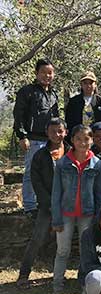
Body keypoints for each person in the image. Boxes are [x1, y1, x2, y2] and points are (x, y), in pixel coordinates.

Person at [49, 125, 101, 294]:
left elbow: (100, 194)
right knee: (62, 251)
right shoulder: (62, 163)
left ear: (92, 141)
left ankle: (85, 287)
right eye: (79, 139)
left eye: (86, 139)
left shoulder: (97, 164)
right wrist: (56, 219)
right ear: (72, 140)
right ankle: (57, 292)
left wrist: (99, 219)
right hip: (65, 214)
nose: (83, 143)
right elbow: (56, 193)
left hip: (87, 215)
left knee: (86, 253)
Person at [17, 118, 70, 289]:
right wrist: (49, 203)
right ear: (47, 133)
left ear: (66, 132)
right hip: (47, 206)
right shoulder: (40, 155)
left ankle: (60, 275)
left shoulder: (72, 151)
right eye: (53, 131)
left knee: (64, 242)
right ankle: (24, 274)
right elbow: (36, 181)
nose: (57, 134)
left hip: (69, 205)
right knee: (38, 238)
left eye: (60, 131)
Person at [13, 58, 59, 216]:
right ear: (36, 73)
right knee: (31, 172)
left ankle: (46, 203)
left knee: (52, 171)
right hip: (32, 138)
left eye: (50, 73)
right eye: (44, 72)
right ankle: (30, 205)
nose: (47, 76)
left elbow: (56, 118)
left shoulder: (53, 93)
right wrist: (22, 136)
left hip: (50, 140)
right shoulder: (27, 91)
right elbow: (18, 115)